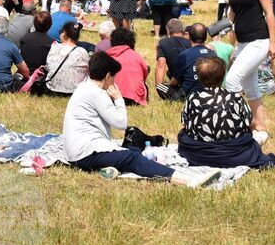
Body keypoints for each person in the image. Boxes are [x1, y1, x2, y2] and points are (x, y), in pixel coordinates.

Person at [63, 51, 218, 185]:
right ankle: (182, 179)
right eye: (114, 78)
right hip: (85, 155)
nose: (114, 82)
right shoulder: (96, 93)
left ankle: (108, 169)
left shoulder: (85, 87)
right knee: (133, 157)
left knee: (133, 150)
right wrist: (118, 99)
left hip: (77, 152)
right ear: (108, 75)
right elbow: (121, 123)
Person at [177, 57, 275, 170]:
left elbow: (185, 125)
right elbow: (250, 123)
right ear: (223, 75)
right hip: (235, 154)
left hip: (199, 155)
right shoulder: (235, 97)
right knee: (261, 134)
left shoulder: (192, 98)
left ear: (199, 78)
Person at [224, 0, 275, 141]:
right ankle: (260, 125)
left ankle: (239, 122)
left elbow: (269, 13)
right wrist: (223, 26)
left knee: (231, 80)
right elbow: (233, 12)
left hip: (259, 40)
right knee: (251, 86)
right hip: (243, 41)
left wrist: (273, 42)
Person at [167, 23, 215, 99]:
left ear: (189, 36)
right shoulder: (212, 54)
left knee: (161, 86)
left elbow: (174, 82)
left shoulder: (185, 55)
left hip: (190, 94)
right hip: (211, 93)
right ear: (205, 37)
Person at [43, 22, 91, 96]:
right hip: (74, 91)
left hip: (52, 88)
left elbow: (48, 67)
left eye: (60, 32)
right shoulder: (82, 52)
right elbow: (88, 72)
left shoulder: (54, 47)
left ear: (64, 33)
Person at [107, 27, 149, 105]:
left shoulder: (106, 56)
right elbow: (145, 74)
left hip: (112, 97)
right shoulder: (136, 56)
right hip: (134, 98)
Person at [154, 18, 190, 87]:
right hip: (193, 80)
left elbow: (161, 64)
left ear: (168, 30)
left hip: (177, 79)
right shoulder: (190, 42)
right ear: (182, 29)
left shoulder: (162, 42)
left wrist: (159, 88)